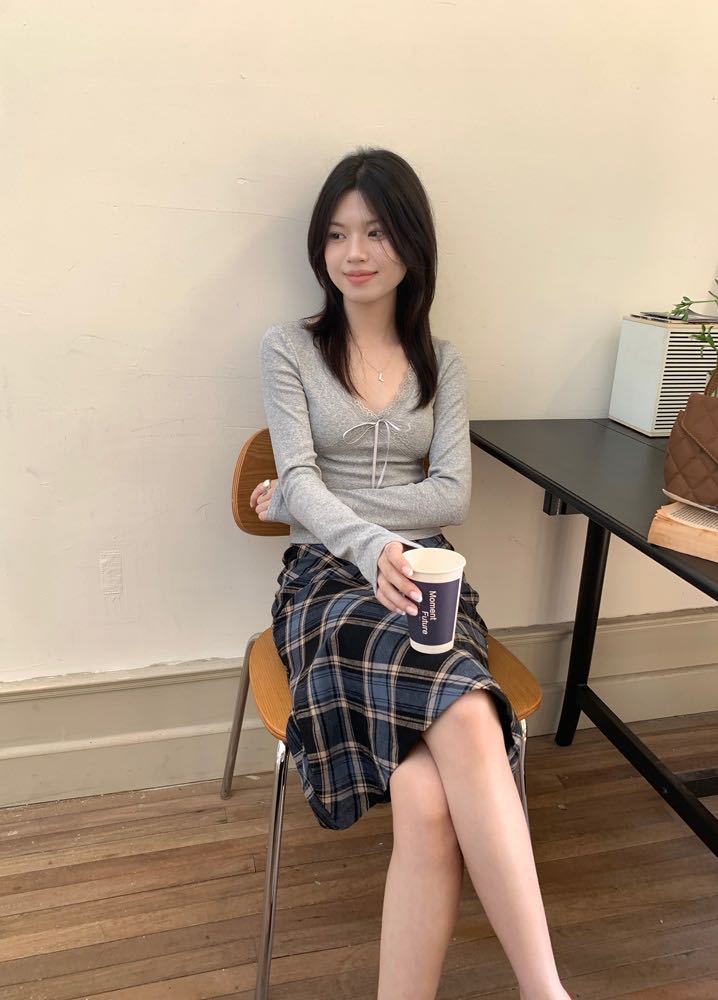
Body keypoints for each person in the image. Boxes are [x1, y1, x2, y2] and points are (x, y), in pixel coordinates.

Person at [249, 148, 571, 1000]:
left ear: (411, 243)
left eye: (376, 232)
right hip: (326, 583)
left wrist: (305, 498)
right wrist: (341, 528)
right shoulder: (289, 350)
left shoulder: (444, 362)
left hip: (431, 576)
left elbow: (452, 494)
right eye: (336, 234)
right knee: (467, 715)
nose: (354, 253)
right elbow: (302, 480)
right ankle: (548, 991)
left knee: (428, 797)